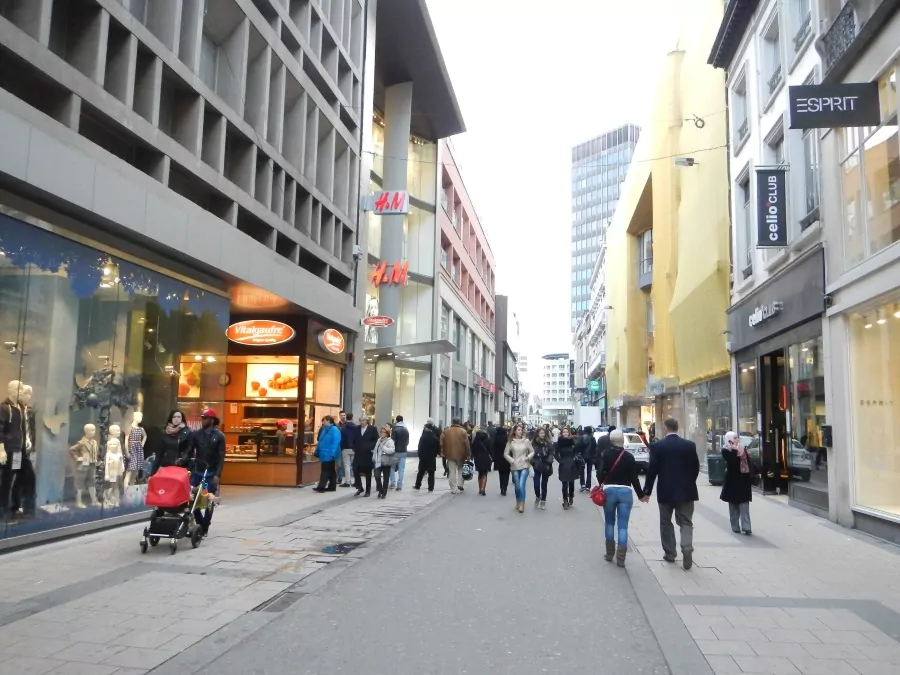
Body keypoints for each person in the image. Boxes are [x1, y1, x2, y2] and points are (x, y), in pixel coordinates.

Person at [643, 418, 700, 570]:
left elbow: (652, 470)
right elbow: (696, 468)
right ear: (677, 428)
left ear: (666, 428)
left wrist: (647, 491)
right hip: (687, 491)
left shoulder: (658, 446)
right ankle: (687, 547)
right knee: (686, 522)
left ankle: (670, 553)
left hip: (666, 491)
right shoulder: (689, 446)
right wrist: (690, 482)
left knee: (666, 522)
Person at [597, 429, 649, 567]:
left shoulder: (605, 454)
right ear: (622, 441)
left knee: (609, 523)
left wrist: (601, 482)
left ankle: (609, 554)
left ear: (611, 441)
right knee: (623, 526)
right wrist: (641, 495)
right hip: (625, 492)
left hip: (609, 491)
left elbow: (600, 472)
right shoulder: (628, 456)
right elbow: (634, 478)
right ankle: (621, 558)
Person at [189, 409, 226, 536]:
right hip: (198, 471)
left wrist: (217, 475)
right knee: (193, 498)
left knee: (209, 499)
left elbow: (221, 457)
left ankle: (206, 524)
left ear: (212, 420)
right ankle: (200, 523)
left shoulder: (220, 436)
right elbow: (190, 451)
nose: (203, 420)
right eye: (202, 418)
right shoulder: (196, 435)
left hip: (211, 473)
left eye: (205, 418)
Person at [720, 431, 753, 535]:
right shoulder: (725, 450)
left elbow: (748, 462)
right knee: (733, 505)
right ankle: (735, 526)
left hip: (743, 480)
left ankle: (746, 527)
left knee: (744, 505)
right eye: (734, 438)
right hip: (732, 481)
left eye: (737, 438)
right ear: (729, 439)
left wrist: (739, 450)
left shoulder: (742, 448)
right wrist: (734, 451)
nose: (736, 440)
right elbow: (733, 462)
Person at [503, 423, 534, 513]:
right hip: (515, 466)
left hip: (525, 465)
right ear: (515, 431)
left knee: (521, 485)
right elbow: (505, 453)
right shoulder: (510, 442)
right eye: (518, 430)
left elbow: (532, 451)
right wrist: (512, 461)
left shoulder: (526, 441)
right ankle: (518, 501)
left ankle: (522, 504)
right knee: (517, 486)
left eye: (521, 430)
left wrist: (528, 457)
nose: (520, 432)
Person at [440, 418, 470, 495]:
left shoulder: (446, 431)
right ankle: (460, 484)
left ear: (452, 422)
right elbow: (467, 444)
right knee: (460, 469)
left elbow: (441, 442)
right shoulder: (463, 431)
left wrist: (442, 452)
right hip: (461, 454)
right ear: (459, 422)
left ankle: (453, 488)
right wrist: (468, 454)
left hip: (449, 454)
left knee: (452, 471)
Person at [313, 416, 341, 493]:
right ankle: (332, 486)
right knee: (331, 470)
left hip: (329, 453)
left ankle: (321, 487)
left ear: (329, 421)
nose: (323, 422)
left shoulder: (334, 430)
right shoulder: (324, 429)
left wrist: (332, 454)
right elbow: (320, 441)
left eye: (324, 421)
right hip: (324, 452)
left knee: (325, 470)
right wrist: (317, 450)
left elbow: (335, 443)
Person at [352, 415, 379, 497]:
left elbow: (376, 439)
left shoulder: (372, 429)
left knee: (368, 472)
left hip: (367, 454)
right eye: (360, 420)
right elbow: (354, 439)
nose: (361, 422)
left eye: (363, 420)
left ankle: (368, 490)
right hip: (358, 453)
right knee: (355, 469)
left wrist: (371, 447)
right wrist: (354, 447)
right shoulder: (357, 428)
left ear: (367, 421)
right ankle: (360, 487)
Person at [530, 426, 553, 510]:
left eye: (544, 433)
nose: (542, 434)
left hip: (546, 465)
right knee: (536, 484)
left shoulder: (548, 443)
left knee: (544, 484)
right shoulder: (533, 443)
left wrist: (549, 461)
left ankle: (543, 500)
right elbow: (530, 454)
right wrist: (533, 462)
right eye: (541, 433)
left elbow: (551, 453)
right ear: (537, 434)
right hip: (536, 465)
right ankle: (537, 496)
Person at [414, 419, 440, 492]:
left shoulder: (423, 437)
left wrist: (420, 456)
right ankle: (431, 487)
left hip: (423, 457)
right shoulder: (435, 438)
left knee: (421, 472)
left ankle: (417, 485)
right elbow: (437, 448)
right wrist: (435, 454)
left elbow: (420, 447)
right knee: (431, 473)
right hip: (431, 458)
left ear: (426, 428)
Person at [555, 427, 578, 510]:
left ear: (569, 433)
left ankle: (571, 496)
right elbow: (556, 454)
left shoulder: (572, 442)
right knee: (564, 483)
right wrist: (560, 461)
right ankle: (565, 500)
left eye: (567, 432)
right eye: (564, 432)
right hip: (563, 464)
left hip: (572, 464)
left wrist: (574, 459)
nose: (565, 433)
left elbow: (576, 451)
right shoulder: (558, 443)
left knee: (571, 482)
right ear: (561, 433)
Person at [373, 424, 397, 499]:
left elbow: (391, 451)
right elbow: (375, 450)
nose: (382, 433)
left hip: (386, 462)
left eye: (384, 432)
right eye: (381, 432)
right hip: (378, 461)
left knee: (386, 478)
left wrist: (383, 447)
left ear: (387, 433)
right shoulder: (378, 440)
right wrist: (373, 457)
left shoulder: (390, 441)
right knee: (377, 476)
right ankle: (380, 490)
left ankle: (384, 492)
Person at [388, 414, 410, 491]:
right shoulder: (406, 429)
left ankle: (392, 483)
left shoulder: (394, 429)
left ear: (396, 420)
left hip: (395, 451)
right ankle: (399, 485)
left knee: (392, 467)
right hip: (403, 451)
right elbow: (407, 442)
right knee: (401, 469)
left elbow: (393, 441)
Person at [472, 426, 492, 496]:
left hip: (477, 458)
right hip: (486, 458)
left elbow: (473, 450)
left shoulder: (475, 440)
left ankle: (480, 489)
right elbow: (490, 450)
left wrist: (473, 456)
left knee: (479, 473)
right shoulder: (488, 440)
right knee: (484, 474)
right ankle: (483, 489)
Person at [491, 425, 510, 496]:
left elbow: (493, 448)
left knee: (501, 474)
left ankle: (502, 487)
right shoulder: (506, 438)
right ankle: (505, 487)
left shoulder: (496, 438)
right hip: (507, 459)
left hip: (499, 459)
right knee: (507, 474)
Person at [339, 413, 357, 488]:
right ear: (352, 417)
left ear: (346, 417)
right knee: (354, 465)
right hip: (354, 448)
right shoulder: (355, 427)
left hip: (345, 447)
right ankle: (356, 481)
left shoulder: (344, 426)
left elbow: (341, 437)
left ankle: (347, 481)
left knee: (347, 465)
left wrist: (341, 446)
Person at [578, 426, 598, 493]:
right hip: (590, 457)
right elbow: (595, 448)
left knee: (581, 471)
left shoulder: (581, 438)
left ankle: (582, 484)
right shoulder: (593, 438)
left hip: (582, 457)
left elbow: (579, 447)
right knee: (589, 471)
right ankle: (588, 486)